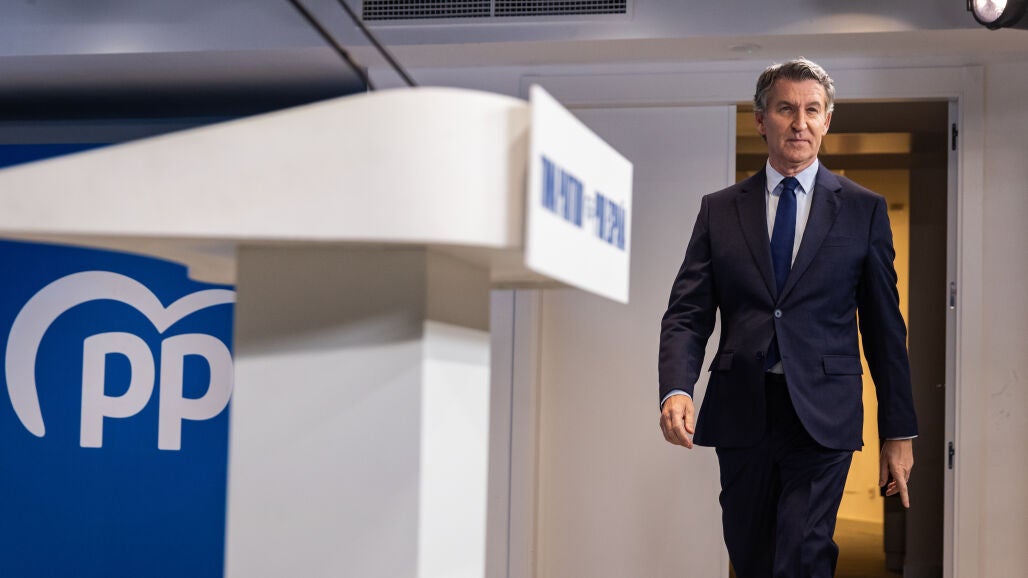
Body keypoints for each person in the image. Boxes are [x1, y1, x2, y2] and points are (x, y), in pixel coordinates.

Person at [657, 58, 918, 578]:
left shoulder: (863, 210)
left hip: (823, 414)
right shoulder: (719, 210)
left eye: (812, 110)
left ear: (827, 121)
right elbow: (687, 312)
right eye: (785, 109)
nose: (800, 123)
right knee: (751, 554)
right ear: (761, 120)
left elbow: (885, 330)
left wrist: (899, 431)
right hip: (742, 409)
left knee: (803, 553)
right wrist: (677, 388)